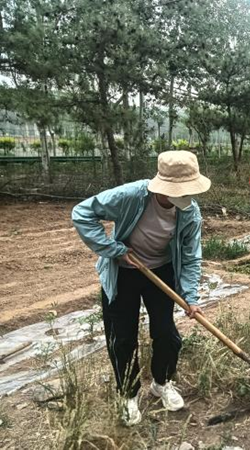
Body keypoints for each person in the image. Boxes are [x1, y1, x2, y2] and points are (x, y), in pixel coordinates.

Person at [72, 151, 211, 426]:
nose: (186, 195)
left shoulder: (190, 212)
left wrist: (190, 297)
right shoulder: (132, 195)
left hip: (161, 271)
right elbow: (82, 213)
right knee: (122, 337)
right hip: (123, 271)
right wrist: (114, 249)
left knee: (167, 334)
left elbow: (191, 256)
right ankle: (128, 393)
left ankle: (162, 382)